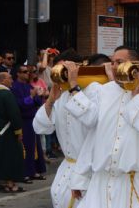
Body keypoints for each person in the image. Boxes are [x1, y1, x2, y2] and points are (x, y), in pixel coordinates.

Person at [68, 45, 139, 208]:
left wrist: (136, 96)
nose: (113, 66)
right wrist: (80, 177)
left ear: (136, 65)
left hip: (138, 183)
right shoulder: (105, 91)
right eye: (112, 62)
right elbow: (93, 133)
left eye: (119, 62)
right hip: (103, 182)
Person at [33, 58, 104, 208]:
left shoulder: (96, 89)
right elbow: (41, 127)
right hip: (67, 166)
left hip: (90, 171)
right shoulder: (62, 93)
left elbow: (92, 119)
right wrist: (51, 99)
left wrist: (74, 87)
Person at [12, 62, 47, 182]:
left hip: (33, 120)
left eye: (28, 72)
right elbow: (19, 105)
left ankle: (34, 171)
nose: (28, 74)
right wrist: (31, 98)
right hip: (23, 121)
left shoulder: (29, 86)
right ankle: (25, 173)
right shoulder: (15, 87)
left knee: (35, 147)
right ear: (18, 74)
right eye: (25, 72)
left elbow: (37, 101)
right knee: (26, 147)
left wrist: (38, 96)